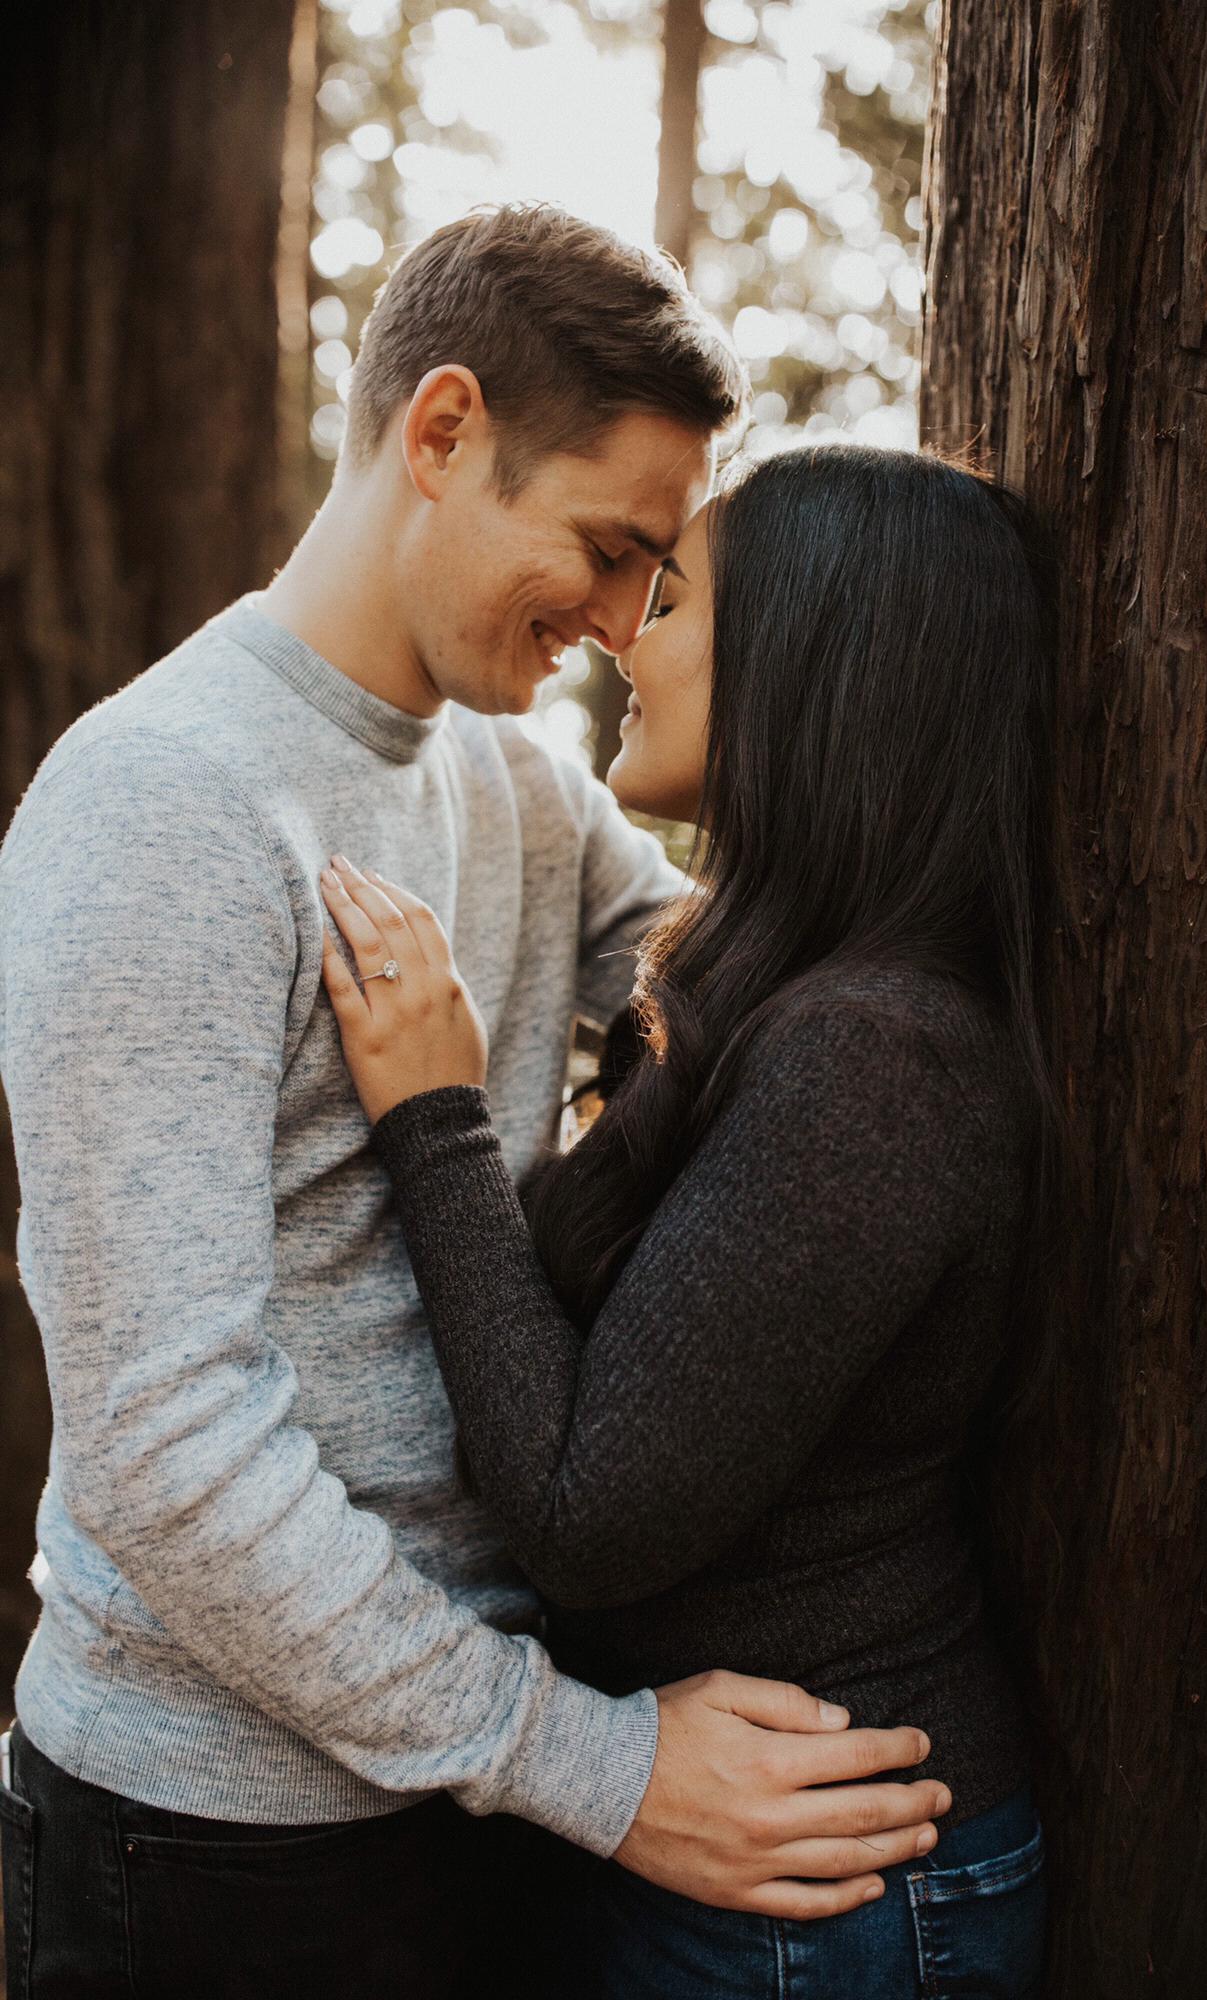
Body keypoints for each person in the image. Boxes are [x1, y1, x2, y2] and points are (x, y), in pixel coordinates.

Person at [0, 211, 949, 1999]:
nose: (616, 627)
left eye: (655, 580)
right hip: (220, 1852)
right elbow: (162, 1445)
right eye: (605, 550)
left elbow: (733, 976)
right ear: (439, 433)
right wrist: (594, 1768)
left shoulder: (509, 776)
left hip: (480, 1792)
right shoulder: (160, 804)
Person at [317, 442, 1058, 1999]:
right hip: (735, 1863)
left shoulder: (877, 1061)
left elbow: (589, 1513)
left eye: (677, 596)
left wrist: (435, 1125)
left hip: (815, 1892)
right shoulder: (792, 996)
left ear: (813, 659)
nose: (622, 632)